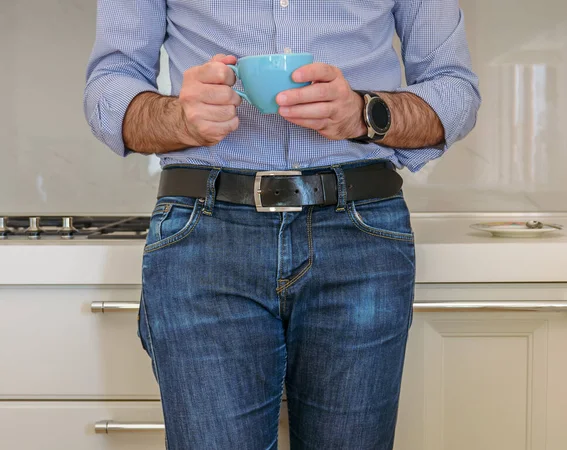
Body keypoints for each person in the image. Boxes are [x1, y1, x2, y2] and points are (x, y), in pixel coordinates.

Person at [84, 0, 480, 448]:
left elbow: (455, 90)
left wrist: (363, 113)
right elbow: (108, 87)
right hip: (204, 236)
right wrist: (180, 117)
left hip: (361, 234)